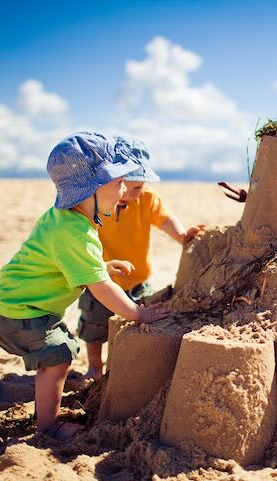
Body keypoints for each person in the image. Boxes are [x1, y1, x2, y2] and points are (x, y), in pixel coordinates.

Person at [0, 132, 169, 440]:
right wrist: (139, 314)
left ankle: (48, 415)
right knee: (60, 356)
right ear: (91, 189)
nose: (124, 190)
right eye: (118, 182)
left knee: (60, 353)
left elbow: (68, 263)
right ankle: (48, 426)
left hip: (11, 306)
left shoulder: (63, 219)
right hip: (17, 314)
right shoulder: (75, 232)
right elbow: (101, 288)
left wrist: (102, 268)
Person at [78, 137, 205, 380]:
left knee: (136, 324)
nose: (130, 193)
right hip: (99, 278)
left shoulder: (146, 199)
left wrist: (182, 235)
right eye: (125, 185)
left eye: (138, 187)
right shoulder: (99, 201)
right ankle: (94, 367)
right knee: (94, 326)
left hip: (137, 280)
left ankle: (120, 368)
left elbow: (164, 219)